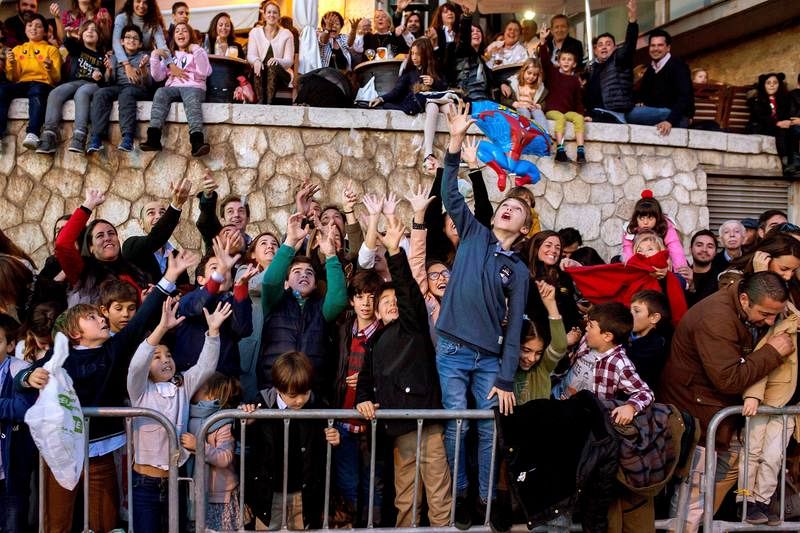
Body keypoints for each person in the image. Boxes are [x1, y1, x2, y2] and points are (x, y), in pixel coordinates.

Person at [15, 251, 194, 533]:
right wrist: (28, 377)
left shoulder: (114, 349)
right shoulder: (58, 357)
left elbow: (140, 320)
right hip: (62, 452)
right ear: (75, 333)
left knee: (105, 522)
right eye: (91, 317)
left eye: (99, 315)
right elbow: (20, 379)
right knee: (57, 522)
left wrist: (170, 277)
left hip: (100, 452)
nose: (101, 318)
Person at [436, 100, 531, 528]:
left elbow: (515, 330)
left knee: (490, 431)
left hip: (490, 361)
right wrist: (455, 142)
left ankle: (487, 500)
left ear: (524, 228)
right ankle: (460, 497)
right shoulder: (473, 231)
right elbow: (449, 194)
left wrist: (507, 378)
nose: (509, 208)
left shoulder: (520, 270)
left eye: (518, 210)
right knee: (458, 426)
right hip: (452, 351)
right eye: (506, 205)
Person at [659, 271, 794, 532]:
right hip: (698, 415)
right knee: (695, 490)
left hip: (716, 414)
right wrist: (773, 352)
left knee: (710, 487)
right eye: (765, 314)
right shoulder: (716, 318)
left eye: (775, 315)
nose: (770, 321)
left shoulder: (741, 308)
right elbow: (728, 379)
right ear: (744, 300)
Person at [356, 216, 453, 527]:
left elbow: (408, 292)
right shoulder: (374, 343)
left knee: (438, 496)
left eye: (396, 299)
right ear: (376, 310)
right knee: (405, 500)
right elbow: (364, 382)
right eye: (385, 301)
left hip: (426, 422)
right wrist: (362, 400)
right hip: (398, 429)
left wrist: (395, 252)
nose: (393, 303)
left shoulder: (413, 327)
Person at [127, 297, 228, 532]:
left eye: (169, 355)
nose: (165, 360)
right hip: (145, 483)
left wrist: (213, 332)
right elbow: (137, 366)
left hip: (176, 478)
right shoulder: (139, 389)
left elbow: (205, 367)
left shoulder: (182, 385)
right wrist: (162, 328)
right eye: (157, 357)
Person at [244, 351, 341, 530]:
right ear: (278, 389)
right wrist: (244, 422)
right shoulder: (260, 406)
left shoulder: (319, 406)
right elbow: (244, 440)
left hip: (303, 494)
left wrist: (333, 438)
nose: (299, 400)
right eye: (293, 395)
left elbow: (323, 449)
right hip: (269, 494)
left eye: (305, 393)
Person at [258, 213, 348, 392]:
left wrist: (331, 255)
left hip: (313, 393)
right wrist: (290, 242)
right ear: (286, 282)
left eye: (309, 273)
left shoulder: (321, 308)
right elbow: (270, 281)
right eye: (297, 271)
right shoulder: (275, 302)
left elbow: (338, 299)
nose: (304, 275)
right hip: (274, 390)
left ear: (315, 284)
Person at [738, 302, 798, 526]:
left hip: (788, 409)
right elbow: (762, 359)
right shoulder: (785, 328)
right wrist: (753, 395)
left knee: (774, 457)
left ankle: (762, 501)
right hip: (767, 400)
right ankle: (745, 500)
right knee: (752, 452)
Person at [332, 269, 384, 526]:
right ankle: (351, 526)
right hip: (343, 422)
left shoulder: (385, 332)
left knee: (374, 485)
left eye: (372, 297)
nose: (366, 303)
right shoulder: (343, 330)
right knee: (348, 484)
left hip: (374, 424)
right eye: (360, 296)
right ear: (352, 300)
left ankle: (372, 527)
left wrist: (368, 382)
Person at [552, 302, 654, 425]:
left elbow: (645, 393)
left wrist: (631, 407)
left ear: (607, 336)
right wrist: (568, 345)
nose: (586, 328)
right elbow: (566, 366)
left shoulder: (620, 364)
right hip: (556, 396)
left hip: (578, 417)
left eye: (590, 325)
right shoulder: (586, 341)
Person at [174, 236, 254, 377]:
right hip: (190, 376)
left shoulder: (236, 300)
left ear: (231, 281)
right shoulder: (188, 297)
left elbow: (243, 330)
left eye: (226, 269)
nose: (222, 271)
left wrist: (241, 287)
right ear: (201, 279)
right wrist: (218, 276)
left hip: (223, 380)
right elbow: (198, 307)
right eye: (214, 268)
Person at [55, 188, 150, 306]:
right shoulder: (82, 272)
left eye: (111, 233)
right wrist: (88, 205)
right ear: (90, 247)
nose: (107, 238)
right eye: (100, 236)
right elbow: (62, 244)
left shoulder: (135, 271)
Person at [368, 37, 447, 166]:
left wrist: (434, 82)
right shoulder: (410, 72)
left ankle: (458, 148)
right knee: (433, 106)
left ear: (426, 54)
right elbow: (397, 91)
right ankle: (428, 153)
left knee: (449, 106)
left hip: (439, 101)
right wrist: (381, 98)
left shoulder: (436, 68)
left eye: (418, 54)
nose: (414, 57)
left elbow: (445, 87)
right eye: (412, 53)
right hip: (422, 105)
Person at [140, 21, 211, 156]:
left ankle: (197, 141)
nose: (180, 33)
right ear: (174, 37)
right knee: (161, 92)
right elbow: (158, 77)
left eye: (184, 30)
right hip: (173, 87)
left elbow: (204, 71)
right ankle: (153, 138)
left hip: (193, 87)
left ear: (190, 35)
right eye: (177, 31)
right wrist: (155, 56)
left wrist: (196, 48)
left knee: (192, 102)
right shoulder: (170, 57)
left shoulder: (197, 52)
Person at [36, 18, 106, 154]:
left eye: (94, 30)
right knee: (55, 92)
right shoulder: (77, 49)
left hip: (92, 85)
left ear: (99, 36)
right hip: (75, 82)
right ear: (81, 34)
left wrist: (100, 75)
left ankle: (80, 136)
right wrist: (68, 34)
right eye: (86, 29)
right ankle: (49, 135)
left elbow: (106, 78)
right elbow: (67, 41)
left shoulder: (102, 56)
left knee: (82, 92)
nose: (90, 31)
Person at [184, 372, 242, 530]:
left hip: (220, 495)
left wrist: (199, 446)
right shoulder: (187, 414)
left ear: (211, 395)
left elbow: (225, 457)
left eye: (199, 386)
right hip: (196, 492)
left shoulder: (222, 422)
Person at [86, 23, 152, 153]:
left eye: (135, 38)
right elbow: (109, 82)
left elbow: (148, 84)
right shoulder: (115, 57)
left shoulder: (143, 57)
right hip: (118, 86)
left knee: (126, 93)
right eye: (128, 37)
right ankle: (96, 138)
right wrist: (109, 71)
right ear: (122, 41)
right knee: (101, 93)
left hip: (136, 88)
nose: (131, 40)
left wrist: (144, 70)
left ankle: (128, 138)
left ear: (140, 44)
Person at [0, 14, 61, 150]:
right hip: (23, 83)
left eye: (38, 26)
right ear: (25, 29)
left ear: (45, 32)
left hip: (43, 84)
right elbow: (13, 78)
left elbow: (56, 78)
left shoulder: (51, 50)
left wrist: (50, 68)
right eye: (30, 25)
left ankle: (33, 133)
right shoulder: (17, 49)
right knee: (2, 89)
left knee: (36, 90)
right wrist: (11, 64)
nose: (33, 28)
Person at [0, 312, 35, 533]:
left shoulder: (21, 370)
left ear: (11, 345)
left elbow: (25, 409)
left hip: (11, 471)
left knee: (13, 525)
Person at [121, 178, 192, 285]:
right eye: (151, 213)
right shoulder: (131, 246)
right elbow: (154, 240)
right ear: (141, 224)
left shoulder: (177, 256)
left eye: (162, 213)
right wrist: (176, 205)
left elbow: (184, 287)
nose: (158, 217)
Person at [236, 231, 280, 401]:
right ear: (253, 254)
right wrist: (274, 268)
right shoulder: (245, 270)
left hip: (276, 343)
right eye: (264, 243)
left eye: (274, 244)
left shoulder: (288, 273)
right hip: (252, 347)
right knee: (248, 398)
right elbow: (253, 286)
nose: (270, 246)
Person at [627, 29, 694, 136]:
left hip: (676, 116)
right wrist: (638, 101)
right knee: (626, 109)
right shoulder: (651, 69)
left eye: (660, 45)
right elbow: (642, 93)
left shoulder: (678, 66)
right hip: (657, 113)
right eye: (652, 45)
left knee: (630, 114)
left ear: (668, 48)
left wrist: (669, 121)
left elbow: (685, 97)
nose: (655, 49)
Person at [513, 282, 570, 404]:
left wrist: (551, 305)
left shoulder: (542, 367)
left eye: (538, 352)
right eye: (526, 350)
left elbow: (560, 346)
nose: (532, 358)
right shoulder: (500, 368)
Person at [538, 26, 587, 163]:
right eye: (563, 59)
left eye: (569, 60)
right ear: (558, 62)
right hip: (552, 111)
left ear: (574, 64)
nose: (566, 62)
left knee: (578, 118)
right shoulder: (553, 74)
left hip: (568, 112)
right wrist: (542, 42)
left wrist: (583, 114)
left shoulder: (575, 80)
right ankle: (560, 150)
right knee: (560, 118)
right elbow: (545, 61)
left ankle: (580, 151)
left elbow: (578, 101)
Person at [584, 0, 638, 124]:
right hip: (594, 113)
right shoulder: (591, 69)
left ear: (614, 48)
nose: (604, 47)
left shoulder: (618, 59)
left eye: (608, 44)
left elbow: (629, 45)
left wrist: (632, 20)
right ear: (595, 50)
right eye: (600, 45)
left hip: (614, 114)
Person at [746, 72, 800, 177]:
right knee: (780, 130)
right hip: (760, 127)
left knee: (789, 129)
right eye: (768, 83)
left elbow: (786, 114)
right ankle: (785, 162)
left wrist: (787, 122)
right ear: (763, 85)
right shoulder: (757, 99)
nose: (772, 85)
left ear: (779, 85)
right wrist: (777, 123)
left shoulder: (783, 100)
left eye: (775, 83)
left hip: (776, 127)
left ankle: (794, 163)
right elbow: (761, 117)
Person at [622, 190, 688, 270]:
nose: (645, 222)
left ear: (657, 217)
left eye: (650, 218)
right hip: (639, 264)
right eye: (641, 218)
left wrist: (681, 270)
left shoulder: (665, 227)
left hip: (662, 264)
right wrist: (631, 269)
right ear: (636, 218)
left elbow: (675, 249)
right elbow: (628, 252)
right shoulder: (631, 229)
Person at [247, 1, 295, 105]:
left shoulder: (287, 34)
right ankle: (260, 103)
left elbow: (289, 61)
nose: (271, 15)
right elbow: (250, 55)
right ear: (264, 15)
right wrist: (256, 61)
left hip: (281, 75)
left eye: (275, 12)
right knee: (257, 66)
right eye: (269, 12)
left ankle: (269, 104)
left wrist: (277, 60)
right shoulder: (255, 32)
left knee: (272, 65)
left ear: (279, 16)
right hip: (260, 74)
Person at [196, 170, 253, 255]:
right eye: (230, 211)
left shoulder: (255, 247)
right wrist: (208, 196)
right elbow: (206, 221)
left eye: (241, 211)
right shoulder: (215, 239)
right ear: (223, 221)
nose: (236, 215)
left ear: (248, 219)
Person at [626, 289, 671, 391]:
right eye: (630, 310)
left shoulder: (657, 346)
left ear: (654, 318)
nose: (630, 315)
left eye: (636, 311)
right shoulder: (626, 335)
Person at [111, 0, 166, 75]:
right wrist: (127, 65)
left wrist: (171, 65)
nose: (141, 5)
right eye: (138, 1)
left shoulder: (154, 22)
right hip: (124, 59)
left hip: (145, 60)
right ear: (132, 2)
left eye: (145, 2)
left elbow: (162, 46)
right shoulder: (122, 18)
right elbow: (116, 42)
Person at [498, 57, 548, 126]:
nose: (531, 77)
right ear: (523, 71)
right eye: (529, 73)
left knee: (539, 113)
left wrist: (539, 106)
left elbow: (544, 102)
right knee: (524, 111)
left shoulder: (539, 87)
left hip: (532, 108)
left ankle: (544, 131)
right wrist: (516, 104)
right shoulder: (514, 83)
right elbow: (503, 99)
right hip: (519, 108)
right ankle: (525, 130)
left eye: (535, 75)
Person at [680, 229, 720, 307]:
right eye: (699, 245)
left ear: (715, 252)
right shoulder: (682, 275)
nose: (704, 250)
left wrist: (692, 287)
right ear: (690, 249)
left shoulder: (720, 279)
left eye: (710, 246)